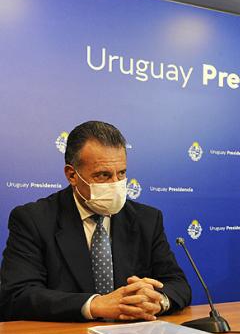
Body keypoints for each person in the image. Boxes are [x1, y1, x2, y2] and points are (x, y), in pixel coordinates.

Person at [0, 121, 191, 322]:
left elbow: (177, 284)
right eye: (103, 175)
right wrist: (94, 304)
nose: (115, 184)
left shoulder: (147, 219)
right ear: (72, 175)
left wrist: (158, 300)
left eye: (122, 173)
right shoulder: (34, 219)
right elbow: (16, 295)